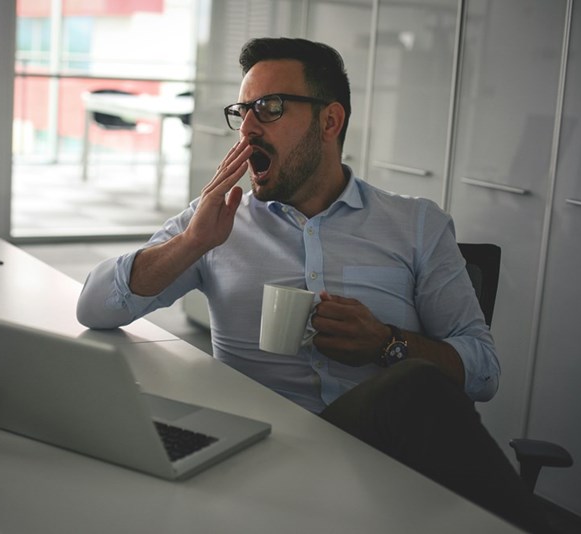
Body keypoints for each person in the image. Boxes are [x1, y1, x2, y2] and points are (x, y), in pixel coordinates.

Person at [77, 37, 548, 532]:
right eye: (243, 112)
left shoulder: (417, 225)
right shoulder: (216, 221)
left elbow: (484, 371)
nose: (249, 128)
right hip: (259, 452)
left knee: (415, 384)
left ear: (329, 121)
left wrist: (387, 344)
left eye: (270, 108)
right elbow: (94, 306)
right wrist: (191, 243)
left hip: (379, 458)